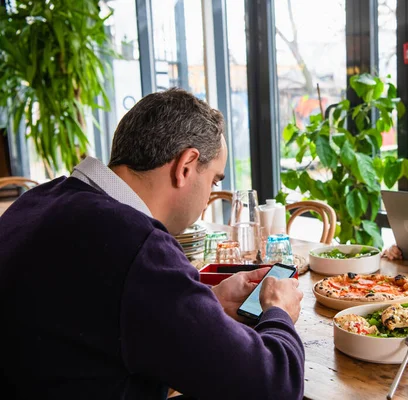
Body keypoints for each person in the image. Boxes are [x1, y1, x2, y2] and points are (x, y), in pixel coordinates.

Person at [0, 89, 304, 399]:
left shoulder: (35, 203)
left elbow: (102, 310)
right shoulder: (137, 246)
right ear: (185, 166)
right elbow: (274, 385)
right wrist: (278, 311)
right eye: (214, 180)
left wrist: (206, 301)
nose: (208, 198)